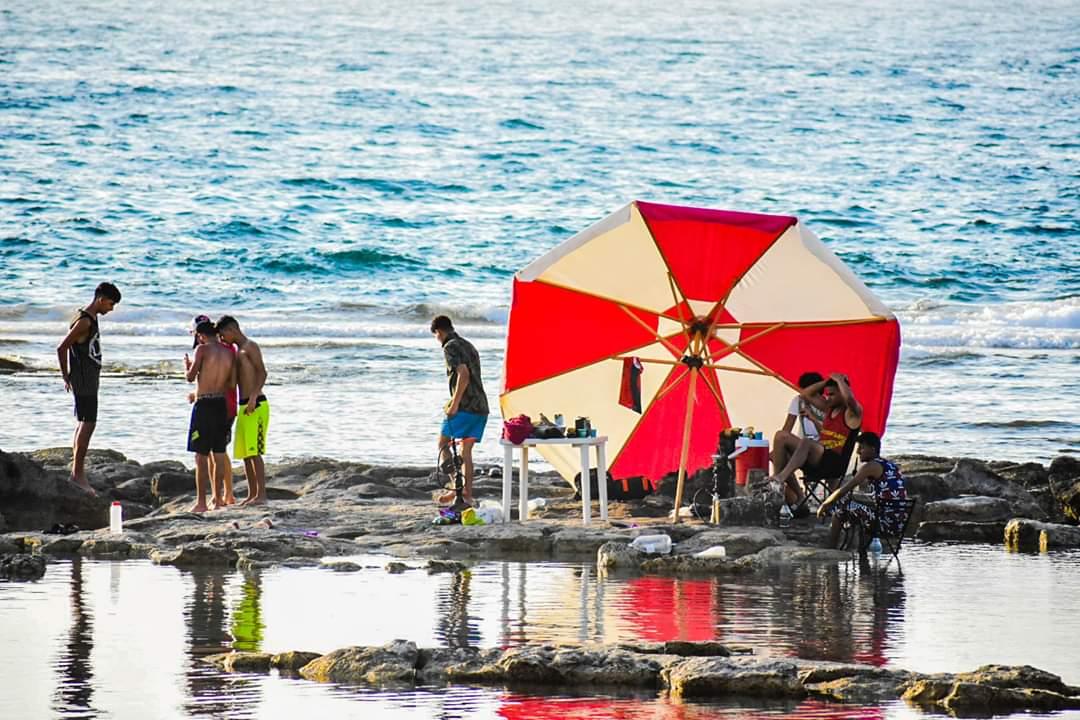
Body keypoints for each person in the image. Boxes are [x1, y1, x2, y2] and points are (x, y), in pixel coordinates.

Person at [56, 282, 121, 495]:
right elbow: (62, 347)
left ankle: (77, 472)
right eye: (111, 304)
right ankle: (77, 474)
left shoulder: (88, 317)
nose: (111, 309)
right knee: (88, 424)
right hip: (84, 379)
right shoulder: (84, 321)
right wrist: (66, 375)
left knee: (83, 423)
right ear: (101, 299)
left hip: (87, 378)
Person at [768, 372, 862, 510]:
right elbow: (805, 394)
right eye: (827, 394)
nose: (828, 398)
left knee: (806, 441)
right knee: (780, 437)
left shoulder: (852, 413)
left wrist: (840, 381)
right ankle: (789, 491)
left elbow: (849, 399)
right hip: (819, 459)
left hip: (835, 463)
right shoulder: (829, 409)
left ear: (842, 393)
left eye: (832, 394)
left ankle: (780, 478)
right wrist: (827, 381)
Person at [430, 315, 488, 506]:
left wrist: (454, 404)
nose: (437, 339)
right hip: (481, 406)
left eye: (436, 335)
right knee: (466, 451)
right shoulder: (468, 345)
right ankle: (466, 494)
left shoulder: (450, 347)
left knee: (443, 444)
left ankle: (456, 488)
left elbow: (464, 374)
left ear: (439, 331)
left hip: (465, 406)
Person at [817, 431, 907, 549]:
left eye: (861, 448)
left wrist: (825, 504)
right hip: (898, 523)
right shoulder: (889, 465)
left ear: (872, 449)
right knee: (849, 503)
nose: (858, 452)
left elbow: (845, 489)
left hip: (884, 524)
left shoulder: (871, 466)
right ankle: (857, 549)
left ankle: (831, 548)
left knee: (841, 507)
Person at [216, 315, 269, 506]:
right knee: (246, 453)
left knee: (255, 451)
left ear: (231, 330)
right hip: (243, 405)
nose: (222, 339)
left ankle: (261, 495)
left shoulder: (250, 346)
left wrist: (254, 397)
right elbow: (232, 383)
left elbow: (262, 372)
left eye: (223, 335)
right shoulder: (237, 351)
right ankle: (252, 494)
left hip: (257, 404)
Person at [184, 318, 236, 512]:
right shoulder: (229, 352)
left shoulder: (202, 350)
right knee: (219, 453)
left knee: (201, 455)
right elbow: (232, 384)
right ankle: (218, 499)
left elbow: (190, 377)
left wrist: (187, 366)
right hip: (221, 404)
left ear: (201, 335)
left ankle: (201, 502)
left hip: (204, 405)